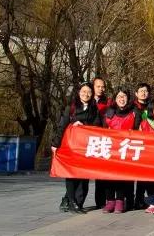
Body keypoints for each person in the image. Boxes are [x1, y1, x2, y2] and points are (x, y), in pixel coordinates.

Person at [52, 82, 101, 214]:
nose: (86, 94)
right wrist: (55, 144)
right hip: (71, 147)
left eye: (89, 92)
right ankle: (72, 202)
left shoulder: (94, 109)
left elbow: (97, 126)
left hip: (85, 148)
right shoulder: (71, 108)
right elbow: (62, 126)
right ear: (79, 92)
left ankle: (77, 202)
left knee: (83, 177)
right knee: (71, 174)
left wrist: (84, 125)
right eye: (83, 91)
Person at [102, 88, 142, 213]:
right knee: (109, 175)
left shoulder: (134, 112)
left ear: (128, 98)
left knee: (122, 175)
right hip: (111, 148)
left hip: (126, 148)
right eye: (119, 96)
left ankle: (120, 200)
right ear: (115, 98)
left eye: (124, 96)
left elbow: (138, 130)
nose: (121, 99)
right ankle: (110, 200)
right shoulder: (109, 112)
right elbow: (102, 130)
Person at [131, 82, 151, 210]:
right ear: (136, 93)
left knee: (144, 174)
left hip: (148, 144)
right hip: (135, 142)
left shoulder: (151, 106)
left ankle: (140, 199)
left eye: (146, 91)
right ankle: (131, 199)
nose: (143, 93)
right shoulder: (132, 107)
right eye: (141, 91)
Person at [92, 77, 109, 209]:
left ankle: (101, 201)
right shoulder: (85, 101)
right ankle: (70, 199)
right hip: (88, 140)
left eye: (103, 87)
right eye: (98, 86)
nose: (101, 89)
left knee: (101, 172)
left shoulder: (108, 102)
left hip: (102, 140)